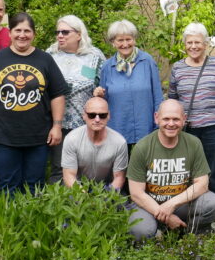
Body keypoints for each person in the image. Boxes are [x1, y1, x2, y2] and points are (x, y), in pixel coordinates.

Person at [0, 12, 68, 194]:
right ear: (10, 33)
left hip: (39, 136)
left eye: (27, 31)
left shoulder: (45, 59)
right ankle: (10, 222)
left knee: (35, 185)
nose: (22, 35)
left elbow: (57, 95)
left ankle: (32, 222)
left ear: (34, 34)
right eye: (18, 30)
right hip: (4, 136)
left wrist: (57, 126)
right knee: (8, 184)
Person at [126, 99, 215, 240]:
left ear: (184, 119)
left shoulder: (193, 143)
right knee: (140, 230)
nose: (171, 124)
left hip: (181, 204)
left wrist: (171, 205)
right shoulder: (143, 147)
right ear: (156, 118)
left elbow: (202, 184)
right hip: (148, 206)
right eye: (166, 118)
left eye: (176, 119)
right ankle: (158, 234)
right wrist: (166, 216)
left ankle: (191, 236)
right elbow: (136, 194)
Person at [167, 22, 215, 198]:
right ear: (184, 45)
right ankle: (189, 213)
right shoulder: (177, 68)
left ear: (205, 44)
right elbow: (172, 100)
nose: (193, 46)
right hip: (187, 129)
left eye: (197, 42)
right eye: (189, 42)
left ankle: (214, 216)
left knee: (213, 172)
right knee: (187, 172)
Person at [47, 15, 106, 184]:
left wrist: (100, 91)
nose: (60, 36)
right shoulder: (49, 55)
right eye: (57, 32)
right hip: (58, 123)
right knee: (60, 167)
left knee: (87, 168)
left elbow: (104, 83)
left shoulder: (95, 55)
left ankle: (87, 206)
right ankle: (57, 207)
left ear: (79, 34)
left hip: (86, 123)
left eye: (65, 32)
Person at [96, 20, 162, 150]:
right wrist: (99, 95)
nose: (125, 44)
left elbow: (158, 95)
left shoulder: (147, 61)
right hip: (117, 128)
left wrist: (159, 122)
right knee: (120, 169)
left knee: (146, 168)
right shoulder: (107, 67)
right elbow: (103, 101)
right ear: (113, 42)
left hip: (145, 127)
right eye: (120, 40)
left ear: (134, 40)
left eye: (128, 39)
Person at [61, 96, 128, 191]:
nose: (97, 119)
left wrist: (106, 198)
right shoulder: (71, 139)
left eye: (102, 115)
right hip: (78, 187)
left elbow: (119, 177)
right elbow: (69, 176)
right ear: (84, 115)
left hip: (107, 188)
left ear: (108, 115)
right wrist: (83, 196)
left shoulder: (119, 142)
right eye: (92, 115)